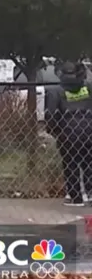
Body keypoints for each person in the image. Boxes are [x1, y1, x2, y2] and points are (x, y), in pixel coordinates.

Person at [44, 61, 92, 206]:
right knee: (89, 163)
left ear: (61, 74)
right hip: (89, 129)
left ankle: (75, 197)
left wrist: (54, 131)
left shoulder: (55, 91)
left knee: (70, 163)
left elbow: (51, 114)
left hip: (67, 131)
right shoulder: (88, 88)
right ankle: (90, 194)